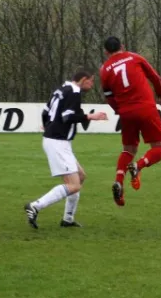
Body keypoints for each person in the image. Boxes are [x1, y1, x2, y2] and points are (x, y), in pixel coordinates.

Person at [24, 68, 107, 229]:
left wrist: (48, 125)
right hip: (58, 142)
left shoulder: (61, 90)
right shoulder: (74, 92)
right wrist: (90, 116)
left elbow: (46, 111)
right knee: (74, 184)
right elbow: (68, 117)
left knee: (81, 176)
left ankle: (67, 219)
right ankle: (35, 206)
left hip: (57, 140)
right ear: (84, 79)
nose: (92, 85)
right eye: (91, 81)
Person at [99, 36, 161, 207]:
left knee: (128, 149)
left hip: (126, 113)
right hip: (146, 108)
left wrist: (119, 110)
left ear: (106, 52)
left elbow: (109, 97)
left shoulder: (105, 70)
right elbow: (154, 77)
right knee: (160, 148)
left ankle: (119, 181)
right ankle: (138, 166)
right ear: (122, 46)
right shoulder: (135, 58)